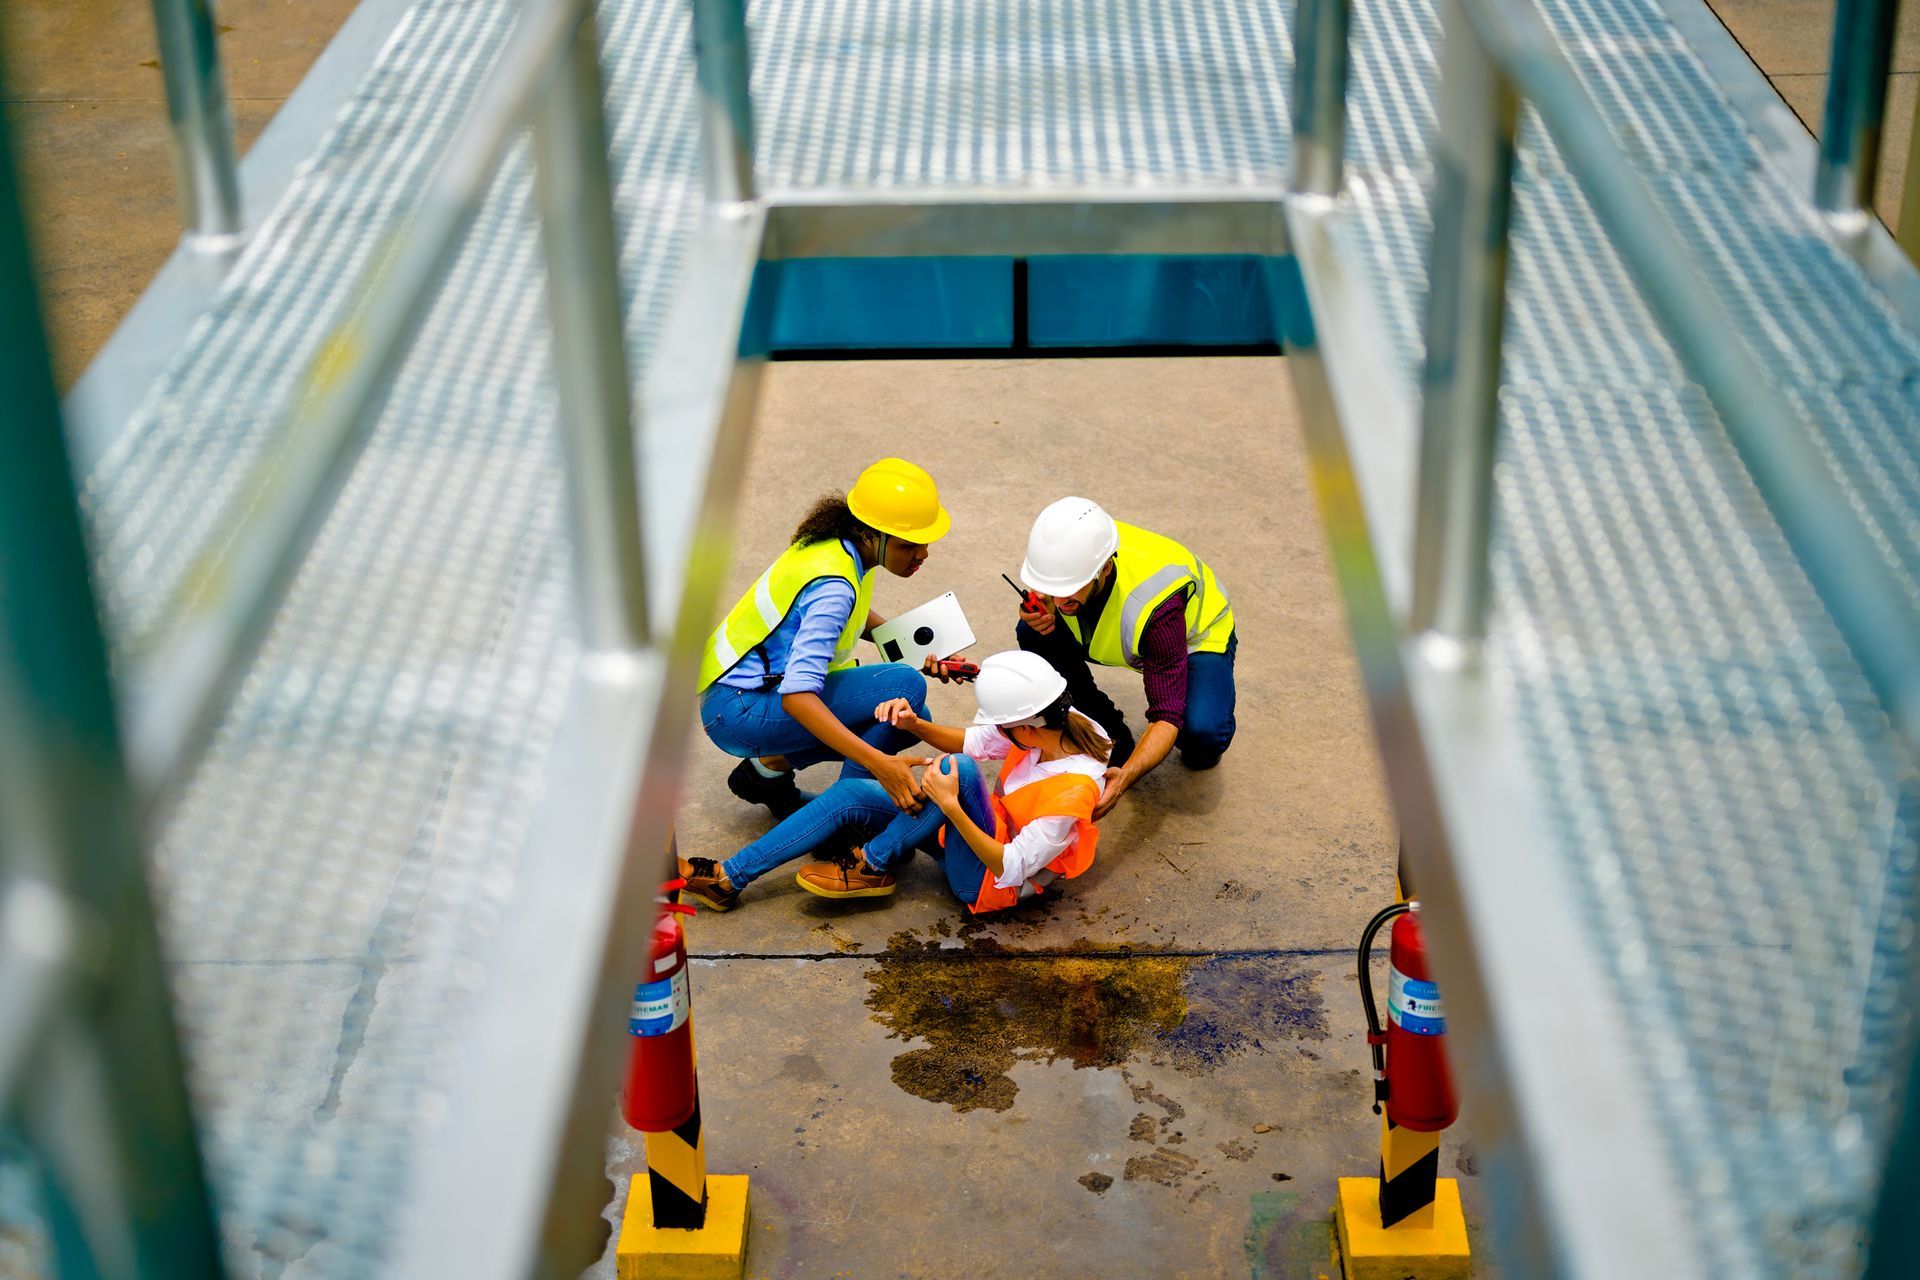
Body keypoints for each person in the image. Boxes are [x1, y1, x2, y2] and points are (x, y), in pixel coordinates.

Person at [696, 457, 952, 821]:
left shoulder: (840, 547)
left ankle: (766, 775)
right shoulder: (833, 588)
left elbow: (852, 614)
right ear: (871, 534)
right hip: (740, 710)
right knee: (904, 686)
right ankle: (845, 818)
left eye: (924, 542)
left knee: (909, 718)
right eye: (909, 545)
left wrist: (917, 647)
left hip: (734, 695)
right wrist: (880, 765)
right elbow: (798, 698)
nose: (922, 553)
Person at [788, 651, 1109, 914]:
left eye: (1001, 726)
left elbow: (1011, 868)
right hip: (978, 836)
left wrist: (951, 807)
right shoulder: (1059, 722)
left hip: (985, 884)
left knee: (960, 771)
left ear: (1024, 729)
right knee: (855, 793)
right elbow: (973, 742)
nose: (997, 731)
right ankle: (750, 869)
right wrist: (914, 725)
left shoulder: (1075, 789)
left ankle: (872, 864)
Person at [1014, 496, 1235, 819]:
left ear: (1105, 568)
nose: (1058, 600)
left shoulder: (1156, 608)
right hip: (1128, 628)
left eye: (1069, 589)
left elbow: (1166, 715)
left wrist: (1126, 777)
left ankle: (1204, 745)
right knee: (1032, 632)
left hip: (1195, 640)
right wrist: (1037, 609)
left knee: (1200, 732)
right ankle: (1108, 732)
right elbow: (1051, 592)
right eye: (1051, 588)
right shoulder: (1072, 555)